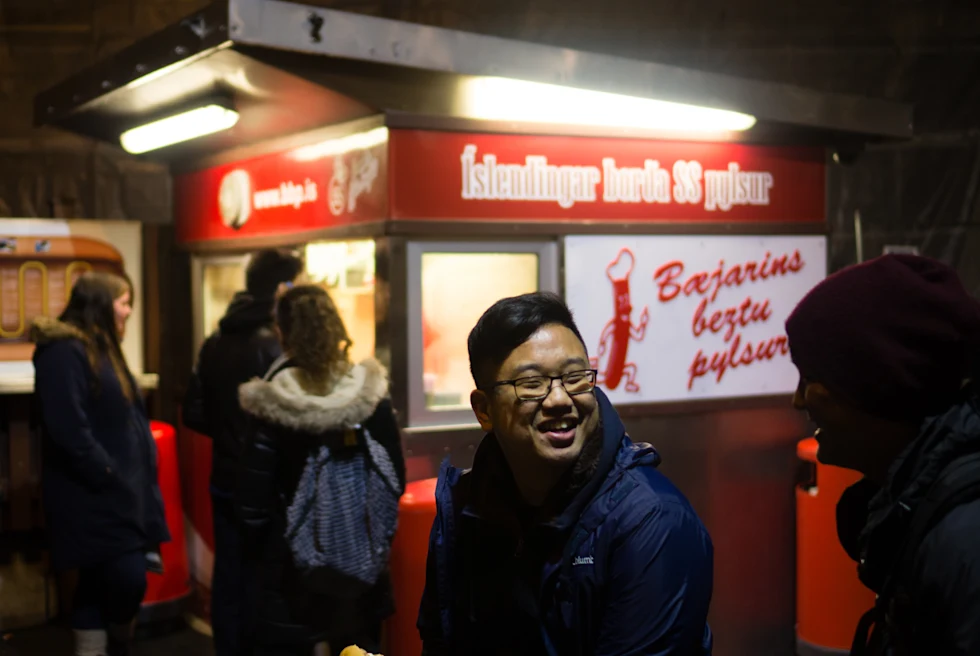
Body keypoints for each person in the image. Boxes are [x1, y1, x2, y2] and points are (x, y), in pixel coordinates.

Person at [417, 291, 714, 656]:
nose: (559, 399)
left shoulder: (650, 521)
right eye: (531, 384)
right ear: (484, 410)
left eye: (575, 377)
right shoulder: (466, 511)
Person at [785, 254, 980, 656]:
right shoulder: (912, 507)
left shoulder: (964, 540)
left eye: (811, 378)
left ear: (876, 389)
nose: (798, 400)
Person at [235, 285, 406, 656]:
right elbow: (393, 478)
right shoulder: (368, 393)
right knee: (355, 648)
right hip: (360, 566)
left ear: (282, 331)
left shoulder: (272, 402)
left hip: (292, 573)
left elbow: (252, 503)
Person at [32, 271, 169, 656]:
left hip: (116, 491)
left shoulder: (100, 345)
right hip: (92, 494)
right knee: (127, 579)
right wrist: (108, 472)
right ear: (101, 305)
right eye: (123, 302)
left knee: (97, 583)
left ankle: (101, 648)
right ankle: (114, 644)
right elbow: (67, 427)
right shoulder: (63, 352)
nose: (128, 310)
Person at [182, 248, 304, 655]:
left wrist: (228, 433)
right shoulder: (276, 348)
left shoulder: (216, 339)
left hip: (224, 477)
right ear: (282, 287)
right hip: (265, 485)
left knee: (229, 575)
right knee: (263, 579)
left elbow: (193, 412)